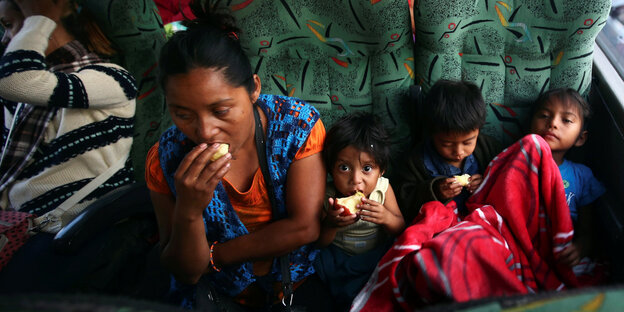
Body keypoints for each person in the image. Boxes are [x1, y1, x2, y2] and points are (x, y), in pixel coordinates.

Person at [144, 1, 330, 310]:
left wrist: (215, 256)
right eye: (182, 114)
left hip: (294, 283)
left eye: (221, 111)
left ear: (254, 89)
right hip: (216, 296)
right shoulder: (165, 158)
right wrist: (188, 211)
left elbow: (304, 227)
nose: (204, 131)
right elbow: (185, 271)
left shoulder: (297, 127)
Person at [0, 0, 136, 290]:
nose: (6, 40)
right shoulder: (22, 97)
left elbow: (15, 80)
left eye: (10, 25)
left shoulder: (111, 79)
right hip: (17, 227)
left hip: (71, 234)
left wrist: (39, 17)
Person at [314, 112, 405, 310]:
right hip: (340, 255)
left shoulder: (383, 189)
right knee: (321, 265)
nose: (356, 179)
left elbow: (400, 228)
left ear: (381, 170)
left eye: (367, 168)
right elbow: (320, 241)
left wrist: (387, 218)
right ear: (330, 169)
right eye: (344, 167)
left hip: (374, 254)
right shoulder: (328, 195)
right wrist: (330, 224)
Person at [397, 79, 501, 223]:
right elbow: (404, 201)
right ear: (432, 134)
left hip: (480, 221)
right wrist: (435, 191)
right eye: (447, 144)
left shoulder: (489, 149)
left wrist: (486, 183)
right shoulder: (416, 161)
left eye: (468, 142)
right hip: (442, 226)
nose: (458, 152)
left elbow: (506, 181)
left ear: (478, 130)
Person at [529, 88, 605, 269]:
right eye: (545, 115)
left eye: (566, 120)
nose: (553, 123)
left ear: (580, 138)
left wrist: (581, 247)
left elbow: (587, 230)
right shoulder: (517, 163)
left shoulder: (581, 175)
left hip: (560, 250)